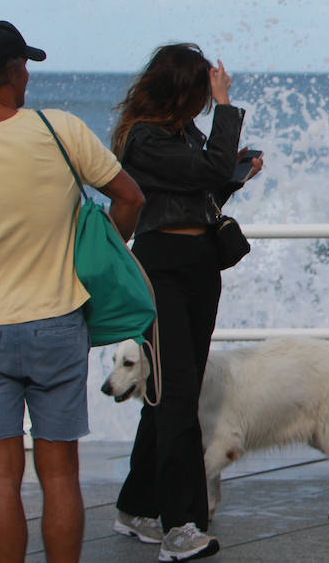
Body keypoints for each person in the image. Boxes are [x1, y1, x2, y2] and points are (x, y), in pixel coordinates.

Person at [0, 20, 145, 563]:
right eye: (23, 65)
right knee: (59, 473)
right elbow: (129, 197)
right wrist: (99, 260)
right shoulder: (59, 130)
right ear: (5, 76)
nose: (27, 74)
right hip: (56, 320)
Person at [109, 44, 262, 562]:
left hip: (198, 263)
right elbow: (205, 169)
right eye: (200, 92)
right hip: (163, 268)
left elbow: (206, 184)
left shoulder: (180, 133)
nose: (205, 102)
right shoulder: (143, 138)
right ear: (182, 88)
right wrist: (225, 108)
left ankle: (135, 505)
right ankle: (182, 526)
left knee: (175, 390)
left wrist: (234, 177)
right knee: (177, 399)